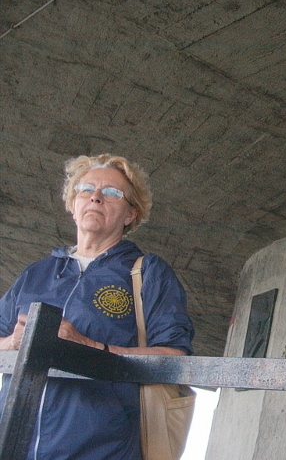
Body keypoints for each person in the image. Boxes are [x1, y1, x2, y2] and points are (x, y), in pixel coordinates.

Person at [0, 154, 194, 460]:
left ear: (130, 214)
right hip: (14, 444)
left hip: (103, 450)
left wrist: (89, 347)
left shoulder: (147, 272)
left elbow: (175, 357)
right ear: (73, 205)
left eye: (112, 192)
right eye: (86, 189)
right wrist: (12, 343)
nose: (96, 197)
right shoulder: (36, 273)